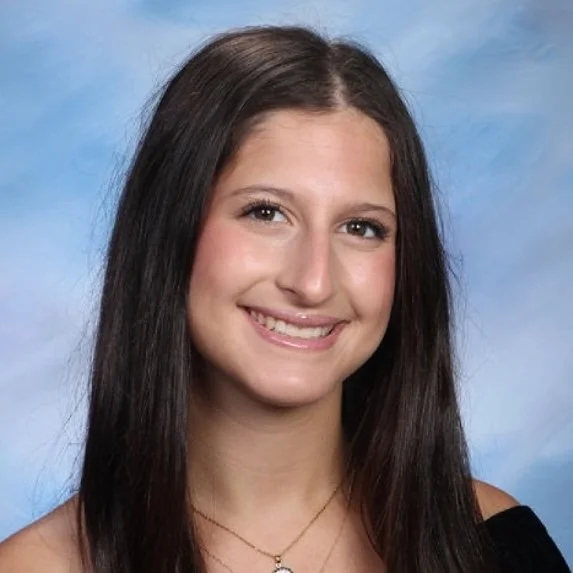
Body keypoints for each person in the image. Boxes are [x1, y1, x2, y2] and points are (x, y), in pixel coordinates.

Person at [0, 25, 569, 573]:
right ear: (168, 232)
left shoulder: (496, 543)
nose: (314, 281)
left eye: (361, 227)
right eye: (266, 213)